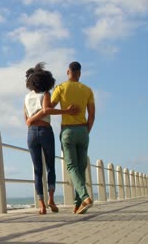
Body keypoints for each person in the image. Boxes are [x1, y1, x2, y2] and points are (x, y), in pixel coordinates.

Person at [24, 63, 78, 215]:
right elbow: (47, 110)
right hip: (46, 130)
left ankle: (41, 205)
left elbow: (26, 118)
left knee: (37, 169)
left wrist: (31, 120)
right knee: (50, 166)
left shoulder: (27, 97)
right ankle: (51, 199)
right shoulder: (46, 94)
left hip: (31, 133)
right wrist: (65, 111)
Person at [50, 61, 96, 214]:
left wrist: (65, 112)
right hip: (83, 131)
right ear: (80, 73)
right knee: (81, 168)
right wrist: (86, 130)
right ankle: (78, 204)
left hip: (68, 131)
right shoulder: (87, 90)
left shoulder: (61, 88)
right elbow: (92, 114)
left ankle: (85, 197)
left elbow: (49, 108)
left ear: (68, 72)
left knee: (71, 167)